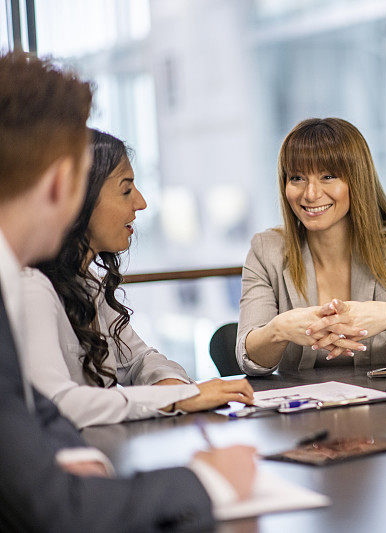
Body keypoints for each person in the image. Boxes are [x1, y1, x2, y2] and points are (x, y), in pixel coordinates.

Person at [0, 51, 255, 530]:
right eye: (125, 189)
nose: (140, 203)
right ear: (64, 185)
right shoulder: (25, 289)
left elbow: (38, 411)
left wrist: (72, 453)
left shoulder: (65, 282)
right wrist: (207, 479)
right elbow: (52, 499)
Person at [19, 129, 255, 429]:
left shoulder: (87, 281)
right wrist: (173, 399)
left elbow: (140, 359)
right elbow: (56, 403)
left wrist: (173, 388)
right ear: (80, 197)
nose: (141, 203)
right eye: (126, 190)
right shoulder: (32, 287)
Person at [237, 117, 386, 374]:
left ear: (357, 180)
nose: (310, 194)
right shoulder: (266, 250)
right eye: (297, 177)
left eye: (328, 176)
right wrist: (278, 329)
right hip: (300, 410)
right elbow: (248, 359)